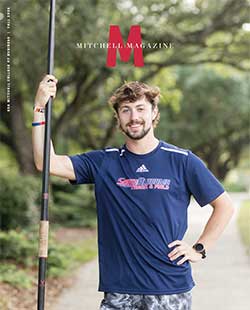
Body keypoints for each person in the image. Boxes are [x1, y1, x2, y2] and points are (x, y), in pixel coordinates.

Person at [32, 75, 235, 310]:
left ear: (154, 112)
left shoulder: (182, 161)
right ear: (118, 117)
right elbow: (46, 163)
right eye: (126, 110)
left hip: (169, 288)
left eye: (140, 108)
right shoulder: (103, 162)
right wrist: (39, 108)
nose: (134, 117)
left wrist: (199, 249)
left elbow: (225, 206)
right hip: (119, 290)